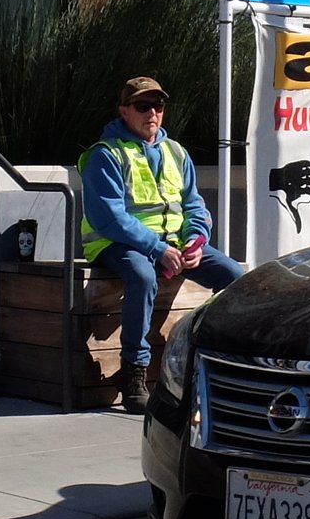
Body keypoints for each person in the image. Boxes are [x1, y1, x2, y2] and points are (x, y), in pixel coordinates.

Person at [78, 76, 242, 412]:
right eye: (142, 106)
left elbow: (194, 204)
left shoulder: (175, 151)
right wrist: (158, 249)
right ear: (124, 111)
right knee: (142, 276)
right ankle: (134, 370)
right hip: (116, 243)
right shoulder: (105, 155)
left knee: (233, 275)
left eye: (158, 105)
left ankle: (209, 353)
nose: (152, 112)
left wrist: (196, 240)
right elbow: (108, 217)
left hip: (173, 244)